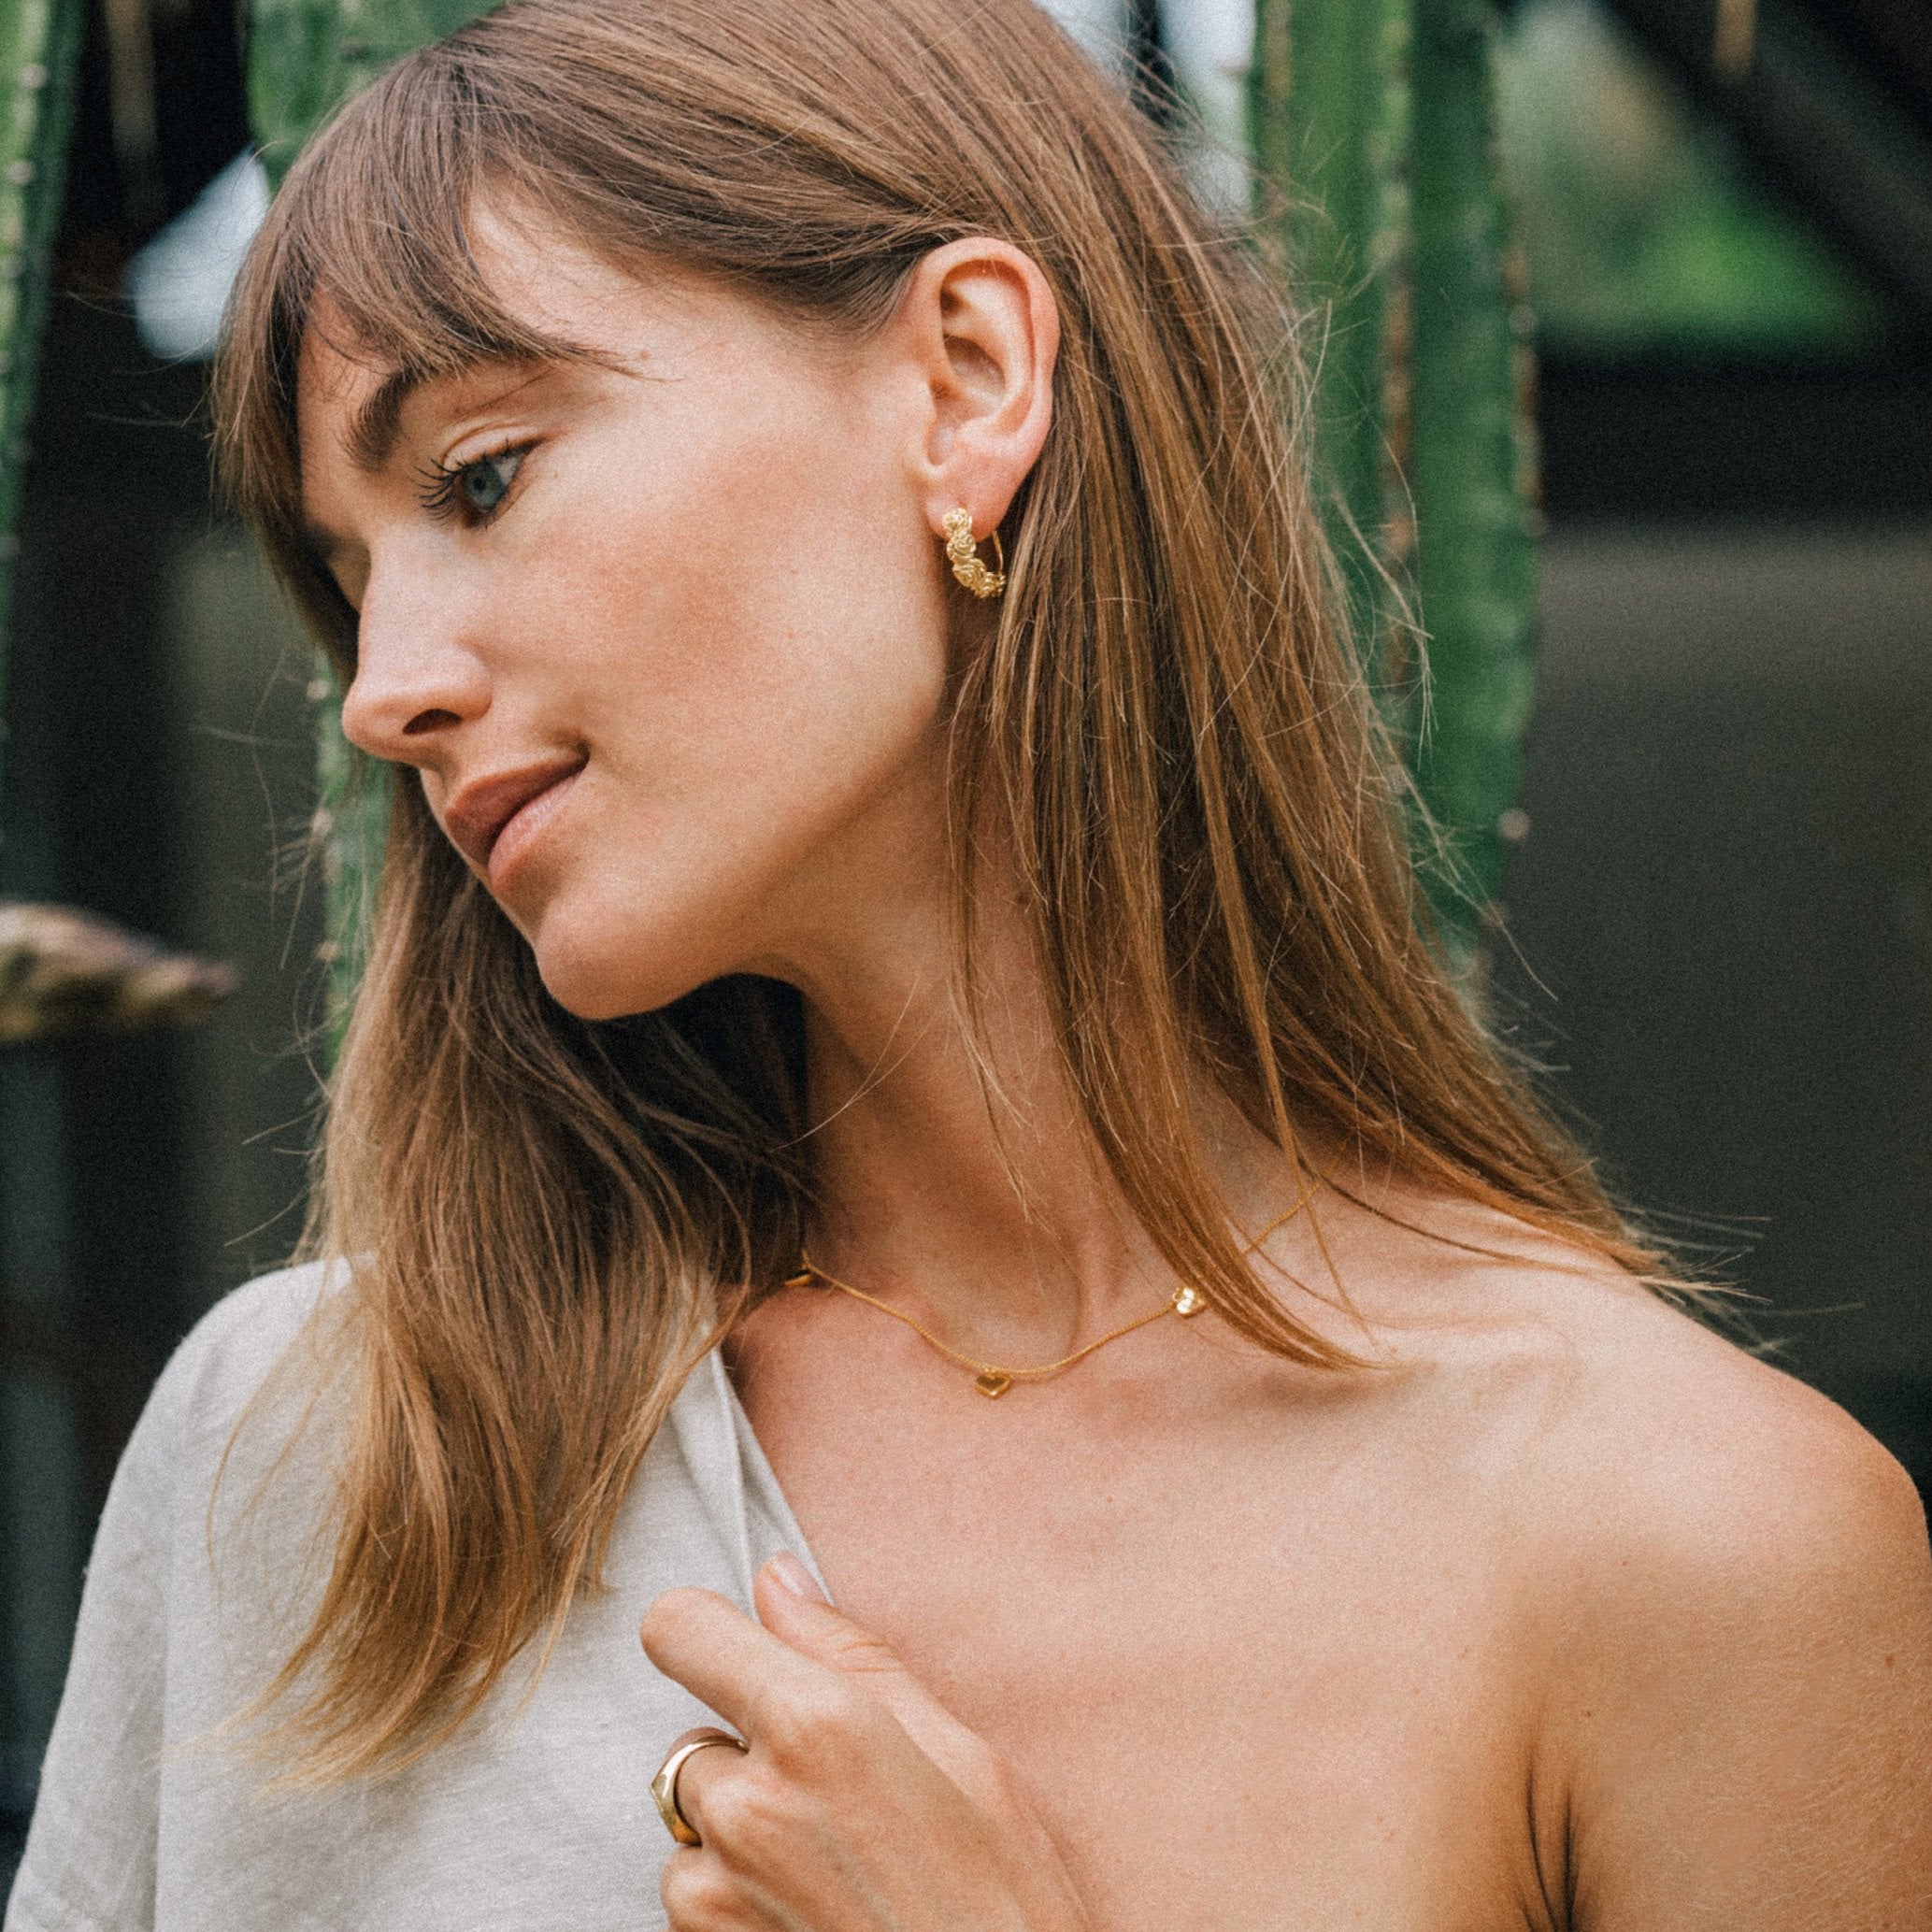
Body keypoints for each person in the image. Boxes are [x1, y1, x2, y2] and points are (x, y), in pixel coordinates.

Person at [11, 0, 1932, 1925]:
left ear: (963, 375)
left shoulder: (1696, 1546)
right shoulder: (322, 1463)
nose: (386, 687)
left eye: (483, 475)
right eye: (346, 583)